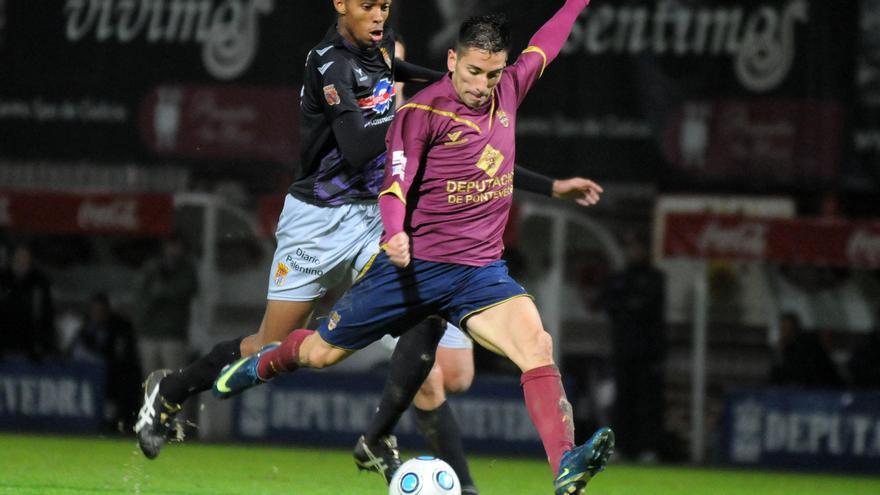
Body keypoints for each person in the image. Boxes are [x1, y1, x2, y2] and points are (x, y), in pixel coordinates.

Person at [132, 0, 591, 470]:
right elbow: (354, 147)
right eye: (369, 6)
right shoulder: (328, 63)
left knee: (431, 338)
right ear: (341, 6)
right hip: (319, 220)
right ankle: (171, 390)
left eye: (386, 6)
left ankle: (379, 437)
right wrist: (426, 110)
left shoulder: (387, 51)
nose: (380, 16)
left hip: (377, 215)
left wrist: (457, 89)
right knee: (273, 344)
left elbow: (477, 148)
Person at [598, 231, 666, 463]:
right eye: (630, 247)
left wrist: (627, 306)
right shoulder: (620, 278)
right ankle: (621, 447)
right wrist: (628, 306)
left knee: (648, 401)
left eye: (637, 247)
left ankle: (649, 448)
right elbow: (608, 304)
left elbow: (645, 306)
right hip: (623, 349)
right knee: (623, 401)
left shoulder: (654, 278)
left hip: (647, 351)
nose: (633, 252)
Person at [71, 292, 142, 431]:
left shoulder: (120, 327)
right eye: (94, 310)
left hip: (117, 375)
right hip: (92, 376)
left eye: (100, 310)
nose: (97, 314)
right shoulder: (86, 327)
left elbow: (122, 357)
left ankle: (119, 422)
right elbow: (75, 350)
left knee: (123, 385)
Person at [133, 234, 198, 375]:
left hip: (173, 334)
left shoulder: (186, 269)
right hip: (149, 332)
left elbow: (185, 291)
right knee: (151, 379)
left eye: (178, 246)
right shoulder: (152, 267)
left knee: (174, 379)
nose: (174, 250)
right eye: (171, 245)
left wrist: (162, 290)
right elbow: (141, 295)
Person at [0, 243, 56, 361]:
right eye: (19, 258)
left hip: (31, 346)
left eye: (25, 258)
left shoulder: (39, 283)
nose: (22, 262)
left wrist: (44, 344)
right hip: (5, 343)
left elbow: (47, 316)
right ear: (12, 260)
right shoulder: (3, 281)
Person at [769, 312, 843, 389]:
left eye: (789, 329)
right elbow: (776, 377)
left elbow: (808, 374)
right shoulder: (782, 350)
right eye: (783, 329)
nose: (786, 333)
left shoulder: (808, 346)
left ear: (796, 329)